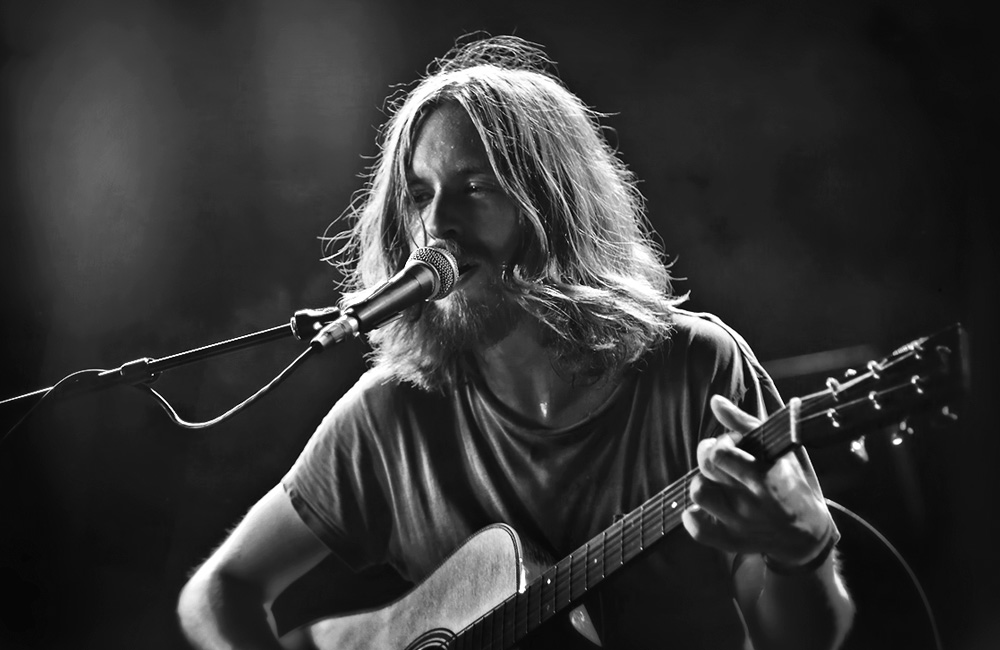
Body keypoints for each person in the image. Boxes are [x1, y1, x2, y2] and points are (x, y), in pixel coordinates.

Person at [177, 34, 855, 649]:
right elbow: (217, 593)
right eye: (418, 194)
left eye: (474, 188)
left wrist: (805, 552)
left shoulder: (697, 369)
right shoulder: (392, 416)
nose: (437, 224)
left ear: (552, 209)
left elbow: (804, 642)